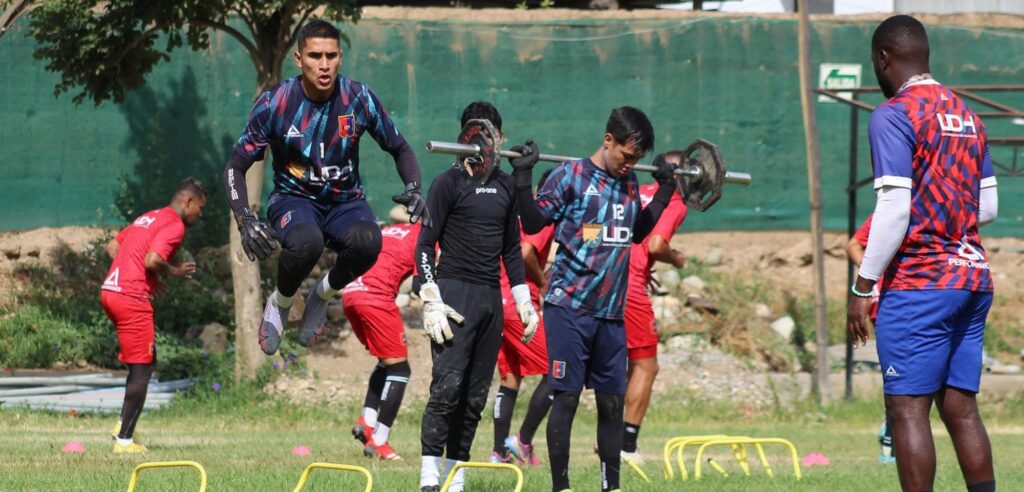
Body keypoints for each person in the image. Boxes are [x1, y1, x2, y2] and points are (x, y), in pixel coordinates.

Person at [847, 15, 999, 492]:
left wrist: (862, 286)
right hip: (972, 277)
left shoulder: (894, 113)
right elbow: (987, 207)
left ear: (883, 59)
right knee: (960, 406)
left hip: (922, 284)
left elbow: (893, 208)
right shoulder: (968, 116)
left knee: (907, 408)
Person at [222, 20, 428, 356]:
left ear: (340, 58)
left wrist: (415, 187)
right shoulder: (275, 102)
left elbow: (400, 148)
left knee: (369, 241)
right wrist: (245, 219)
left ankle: (322, 294)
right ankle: (282, 301)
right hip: (293, 199)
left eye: (331, 55)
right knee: (307, 243)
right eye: (315, 55)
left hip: (345, 201)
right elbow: (235, 165)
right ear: (299, 59)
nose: (324, 64)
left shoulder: (359, 98)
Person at [512, 106, 677, 492]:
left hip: (611, 314)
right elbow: (534, 223)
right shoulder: (569, 177)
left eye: (637, 159)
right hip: (568, 308)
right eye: (626, 155)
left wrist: (665, 192)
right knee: (566, 398)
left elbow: (637, 233)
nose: (630, 164)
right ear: (608, 141)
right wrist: (523, 176)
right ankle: (561, 487)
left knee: (611, 404)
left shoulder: (630, 182)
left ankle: (610, 486)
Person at [415, 101, 539, 492]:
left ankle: (457, 473)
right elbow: (424, 246)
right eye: (477, 131)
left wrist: (523, 300)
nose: (485, 140)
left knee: (473, 398)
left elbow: (512, 249)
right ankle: (429, 475)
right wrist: (430, 298)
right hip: (454, 296)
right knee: (447, 389)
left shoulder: (506, 185)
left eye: (491, 133)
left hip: (490, 300)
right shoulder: (447, 184)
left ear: (499, 138)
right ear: (467, 136)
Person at [101, 178, 207, 453]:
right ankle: (123, 440)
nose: (200, 214)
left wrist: (130, 272)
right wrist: (176, 272)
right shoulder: (174, 225)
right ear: (188, 202)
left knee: (146, 362)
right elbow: (153, 260)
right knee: (143, 368)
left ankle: (123, 424)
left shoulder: (148, 217)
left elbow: (112, 247)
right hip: (130, 297)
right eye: (200, 208)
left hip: (111, 291)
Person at [620, 176, 688, 468]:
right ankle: (626, 446)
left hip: (604, 279)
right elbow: (656, 245)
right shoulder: (674, 200)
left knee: (620, 365)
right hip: (630, 290)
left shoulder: (635, 189)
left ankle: (609, 437)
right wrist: (677, 259)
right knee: (646, 365)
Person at [491, 170, 557, 467]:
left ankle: (499, 452)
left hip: (496, 301)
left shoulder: (515, 211)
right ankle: (523, 440)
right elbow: (526, 250)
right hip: (518, 304)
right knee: (558, 370)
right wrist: (543, 282)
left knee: (510, 377)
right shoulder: (540, 214)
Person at [343, 216, 421, 461]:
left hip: (351, 293)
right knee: (400, 369)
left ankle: (367, 420)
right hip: (375, 297)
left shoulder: (393, 229)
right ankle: (379, 440)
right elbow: (420, 285)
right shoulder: (429, 235)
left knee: (386, 362)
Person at [845, 214, 896, 465]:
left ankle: (894, 430)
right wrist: (874, 275)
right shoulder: (891, 210)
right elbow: (853, 244)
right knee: (899, 377)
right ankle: (890, 439)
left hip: (924, 296)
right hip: (892, 303)